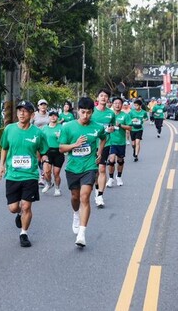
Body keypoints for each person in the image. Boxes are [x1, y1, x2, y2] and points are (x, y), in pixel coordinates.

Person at [0, 100, 49, 247]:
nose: (21, 113)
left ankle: (24, 233)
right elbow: (4, 148)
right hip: (13, 175)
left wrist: (45, 163)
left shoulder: (38, 133)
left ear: (32, 115)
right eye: (19, 110)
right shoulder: (9, 129)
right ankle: (19, 214)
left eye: (25, 111)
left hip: (30, 175)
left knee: (27, 206)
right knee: (13, 208)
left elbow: (44, 152)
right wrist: (1, 165)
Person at [59, 97, 106, 248]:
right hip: (73, 168)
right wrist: (75, 144)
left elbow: (104, 138)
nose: (85, 115)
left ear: (92, 112)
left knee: (85, 197)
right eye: (83, 112)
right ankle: (75, 215)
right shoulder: (68, 127)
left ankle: (82, 234)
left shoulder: (97, 127)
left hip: (89, 167)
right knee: (75, 197)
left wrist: (99, 151)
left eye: (88, 113)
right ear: (77, 111)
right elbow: (61, 148)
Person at [90, 88, 115, 208]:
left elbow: (113, 126)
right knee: (95, 171)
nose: (103, 98)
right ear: (97, 98)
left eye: (106, 96)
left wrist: (111, 129)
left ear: (108, 99)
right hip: (91, 144)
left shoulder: (111, 113)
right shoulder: (92, 112)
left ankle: (100, 195)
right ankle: (97, 188)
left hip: (105, 143)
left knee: (102, 169)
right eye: (101, 95)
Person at [106, 97, 132, 187]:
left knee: (120, 160)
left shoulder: (125, 115)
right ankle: (110, 178)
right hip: (110, 141)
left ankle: (119, 177)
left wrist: (120, 125)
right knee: (111, 160)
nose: (117, 105)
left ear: (122, 105)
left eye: (119, 103)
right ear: (112, 104)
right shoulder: (109, 115)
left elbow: (130, 127)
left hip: (120, 142)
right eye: (115, 103)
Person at [41, 111, 64, 196]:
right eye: (51, 116)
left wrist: (60, 137)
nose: (53, 117)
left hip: (58, 152)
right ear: (49, 117)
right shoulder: (44, 128)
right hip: (47, 152)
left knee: (56, 173)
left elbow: (66, 140)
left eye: (55, 116)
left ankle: (57, 188)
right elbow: (41, 140)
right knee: (46, 172)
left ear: (57, 118)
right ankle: (48, 183)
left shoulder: (61, 128)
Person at [32, 98, 50, 185]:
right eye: (41, 105)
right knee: (38, 158)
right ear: (38, 106)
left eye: (44, 104)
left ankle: (44, 175)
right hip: (37, 139)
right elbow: (29, 125)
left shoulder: (49, 115)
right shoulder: (34, 115)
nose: (43, 106)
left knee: (45, 157)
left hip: (47, 140)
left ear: (46, 106)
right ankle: (42, 174)